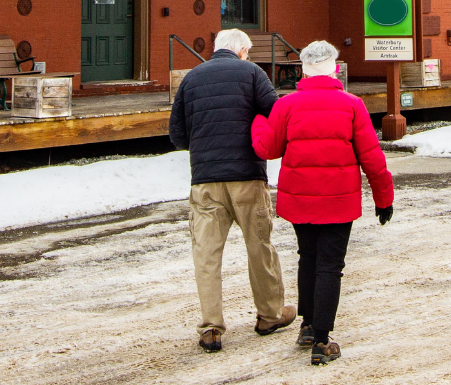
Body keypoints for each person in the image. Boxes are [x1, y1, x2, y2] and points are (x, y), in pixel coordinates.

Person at [251, 39, 394, 366]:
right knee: (330, 265)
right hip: (338, 203)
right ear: (333, 68)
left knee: (308, 257)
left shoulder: (287, 105)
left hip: (300, 200)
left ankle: (307, 325)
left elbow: (268, 148)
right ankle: (322, 340)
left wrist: (259, 121)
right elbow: (372, 157)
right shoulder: (352, 105)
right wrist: (384, 198)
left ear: (305, 68)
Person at [168, 27, 296, 352]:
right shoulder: (252, 73)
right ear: (241, 51)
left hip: (205, 181)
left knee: (206, 254)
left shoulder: (191, 78)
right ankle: (269, 314)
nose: (248, 57)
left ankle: (211, 328)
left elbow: (177, 135)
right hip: (247, 177)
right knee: (259, 246)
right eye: (248, 52)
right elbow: (276, 115)